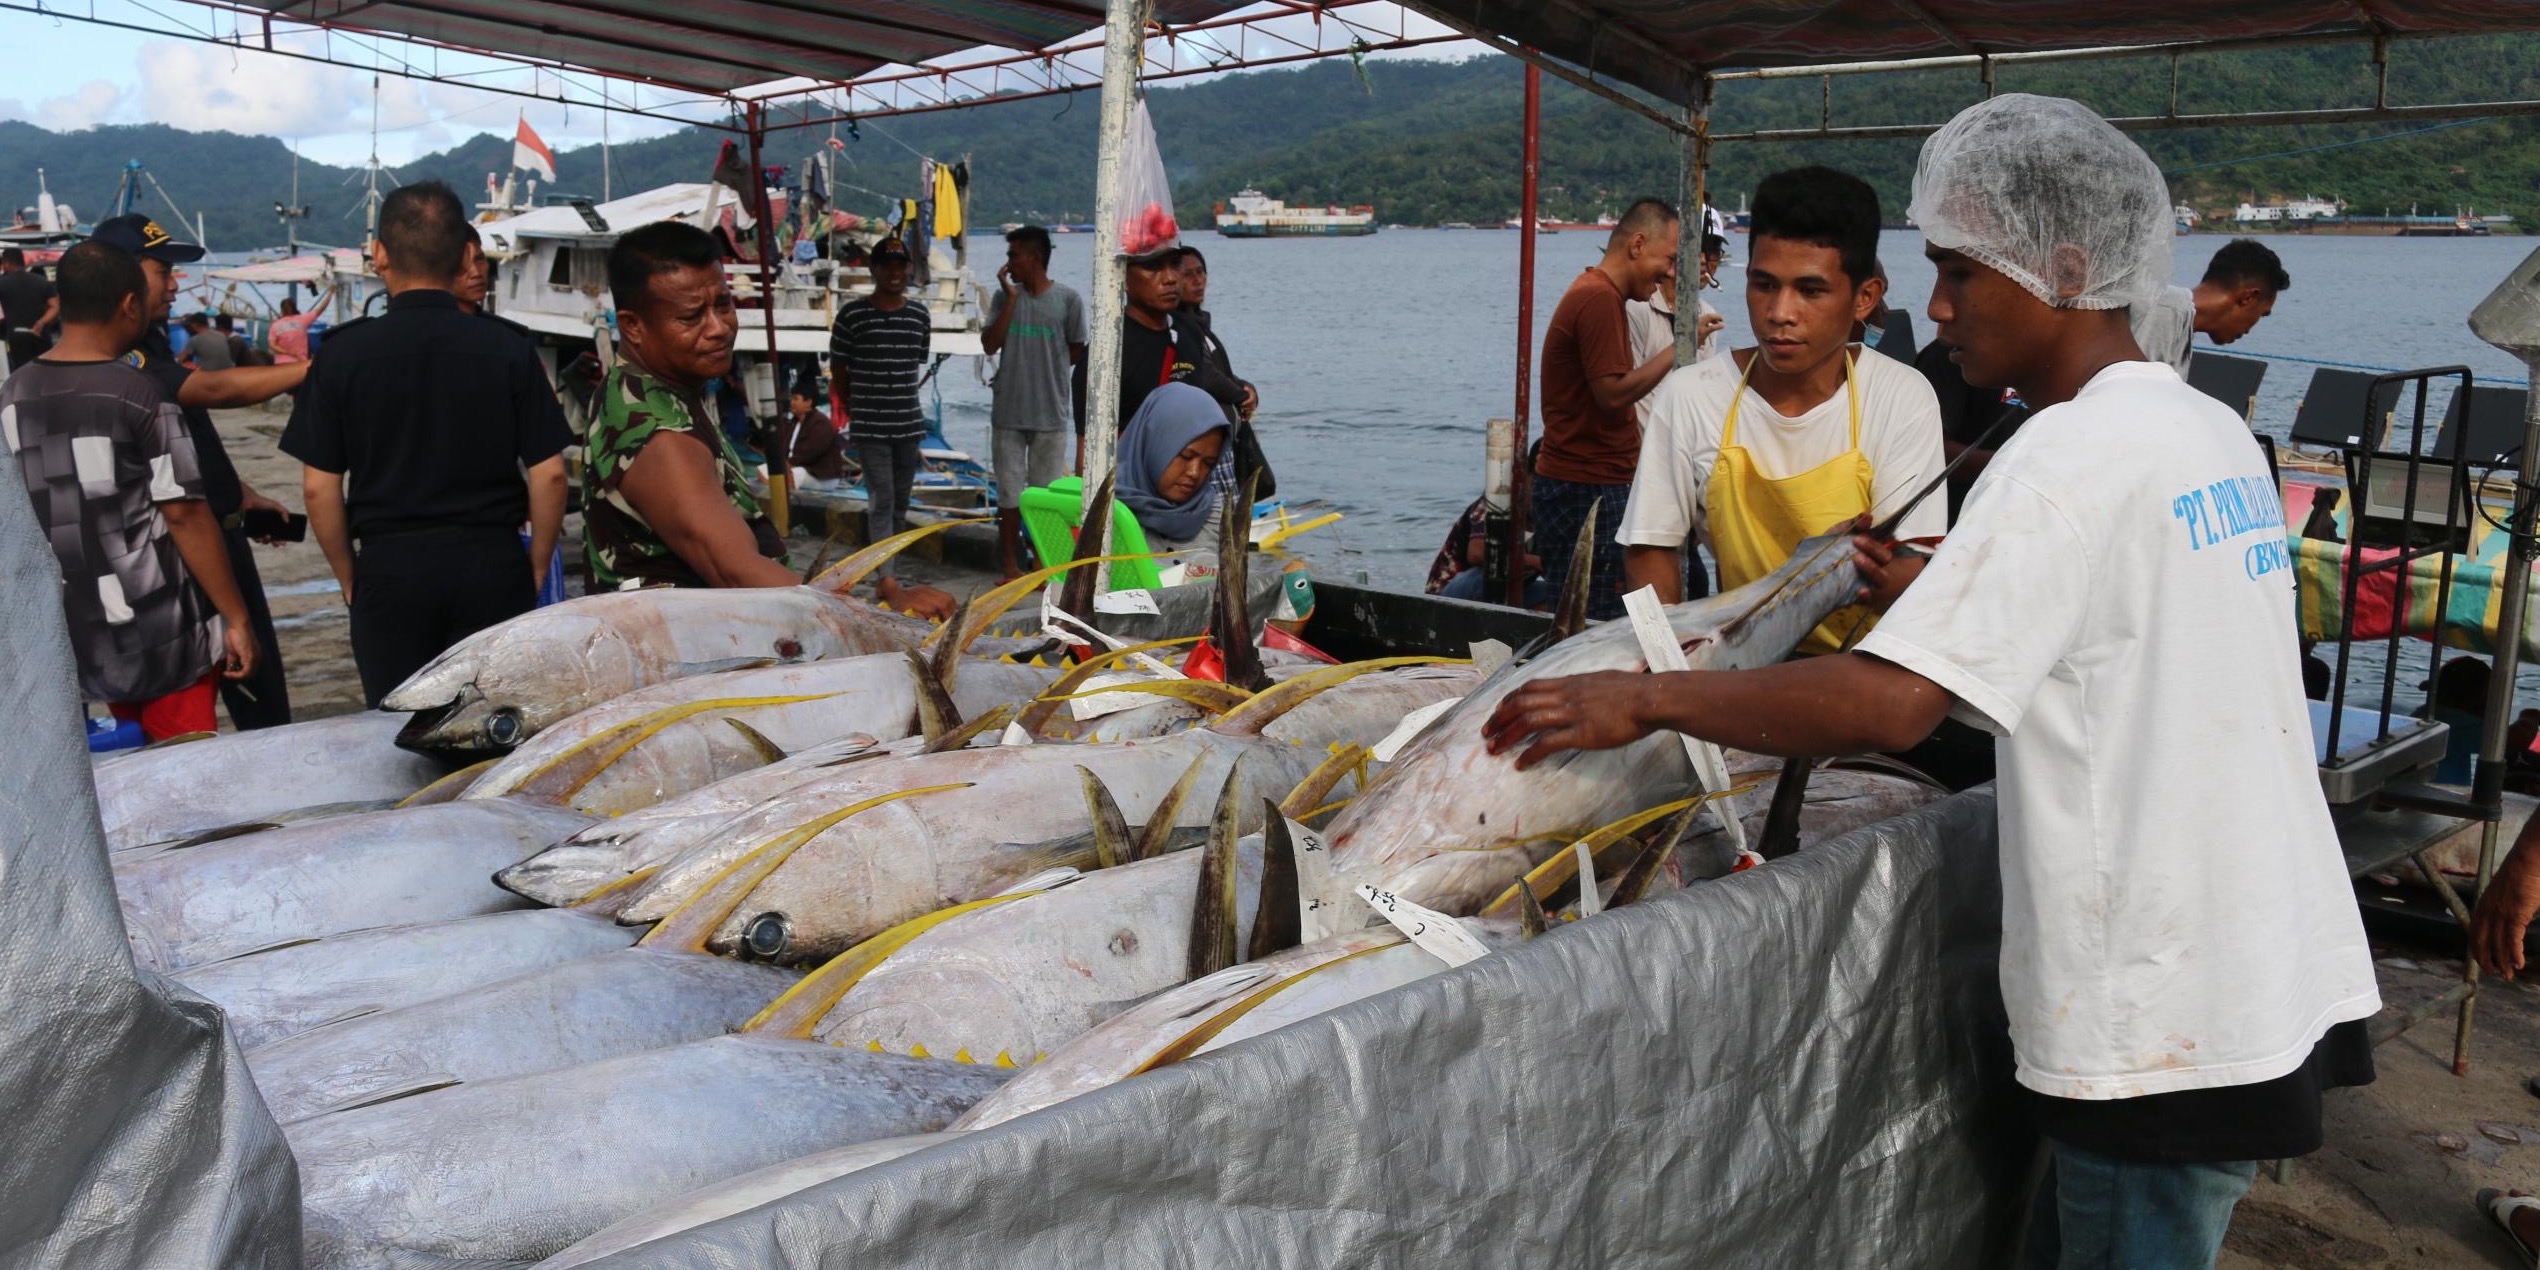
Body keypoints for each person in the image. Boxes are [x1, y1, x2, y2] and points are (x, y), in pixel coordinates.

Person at [1487, 95, 2376, 1269]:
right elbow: (2119, 623)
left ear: (2062, 268)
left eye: (1960, 272)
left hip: (2158, 1004)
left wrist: (1641, 698)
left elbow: (1888, 704)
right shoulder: (2199, 428)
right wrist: (1932, 579)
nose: (1938, 307)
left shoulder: (2064, 452)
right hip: (2258, 955)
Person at [1617, 167, 1946, 658]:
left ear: (1864, 298)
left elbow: (1913, 568)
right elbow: (1650, 547)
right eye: (1764, 284)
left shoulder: (1902, 395)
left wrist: (1844, 567)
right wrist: (1671, 664)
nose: (1780, 313)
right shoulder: (1692, 395)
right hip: (1736, 662)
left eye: (1810, 291)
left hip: (1861, 674)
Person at [281, 181, 572, 707]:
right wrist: (533, 567)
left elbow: (319, 489)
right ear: (464, 254)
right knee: (494, 730)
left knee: (397, 732)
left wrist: (352, 580)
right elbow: (550, 473)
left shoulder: (343, 357)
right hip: (492, 563)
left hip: (391, 571)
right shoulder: (507, 348)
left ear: (379, 255)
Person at [593, 222, 952, 616]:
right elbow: (737, 573)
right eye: (692, 317)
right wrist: (883, 613)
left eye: (724, 305)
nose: (719, 328)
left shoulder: (648, 384)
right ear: (632, 326)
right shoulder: (660, 436)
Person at [2, 240, 256, 739]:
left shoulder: (13, 394)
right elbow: (184, 513)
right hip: (161, 633)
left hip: (74, 636)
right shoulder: (139, 393)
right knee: (179, 780)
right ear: (129, 304)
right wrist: (236, 616)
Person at [96, 213, 309, 730]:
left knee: (261, 699)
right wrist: (309, 371)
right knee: (190, 716)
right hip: (181, 553)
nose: (175, 284)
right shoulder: (121, 355)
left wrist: (238, 492)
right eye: (162, 270)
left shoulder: (153, 340)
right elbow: (207, 391)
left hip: (222, 530)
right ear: (122, 278)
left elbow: (187, 436)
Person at [1535, 197, 1679, 621]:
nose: (1670, 272)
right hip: (1587, 486)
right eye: (1668, 258)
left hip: (1590, 481)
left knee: (1590, 610)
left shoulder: (1601, 296)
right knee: (1594, 618)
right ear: (1637, 245)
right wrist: (1678, 348)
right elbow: (1612, 394)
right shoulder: (1598, 299)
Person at [981, 225, 1086, 576]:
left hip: (1050, 414)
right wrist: (1010, 299)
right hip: (1008, 412)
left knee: (1045, 497)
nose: (1008, 263)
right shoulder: (1004, 298)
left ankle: (1043, 565)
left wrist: (1045, 368)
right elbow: (990, 344)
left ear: (1035, 257)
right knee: (1009, 495)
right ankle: (1010, 565)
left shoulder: (1068, 301)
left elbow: (1074, 350)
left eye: (1014, 255)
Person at [828, 235, 933, 579]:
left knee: (901, 501)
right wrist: (854, 407)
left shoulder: (919, 315)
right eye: (887, 265)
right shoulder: (852, 316)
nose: (894, 272)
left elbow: (916, 361)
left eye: (900, 266)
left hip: (908, 424)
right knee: (882, 499)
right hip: (870, 426)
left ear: (908, 270)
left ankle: (891, 566)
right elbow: (839, 369)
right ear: (874, 269)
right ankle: (884, 576)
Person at [2130, 238, 2290, 373]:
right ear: (2248, 297)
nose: (2250, 329)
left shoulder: (2180, 327)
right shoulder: (2160, 314)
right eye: (2262, 314)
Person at [1914, 337, 2029, 519]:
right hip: (1961, 518)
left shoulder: (2064, 361)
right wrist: (2017, 464)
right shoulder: (1948, 354)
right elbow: (1926, 453)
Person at [1115, 382, 1231, 557]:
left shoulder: (1210, 512)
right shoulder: (1105, 509)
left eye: (1208, 463)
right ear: (1154, 445)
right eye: (1186, 456)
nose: (1194, 472)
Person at [1428, 442, 1550, 608]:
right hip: (1450, 592)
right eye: (1540, 480)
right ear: (1527, 476)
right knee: (1487, 576)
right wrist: (1536, 562)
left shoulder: (1550, 514)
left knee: (1558, 596)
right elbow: (1476, 552)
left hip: (1512, 589)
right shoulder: (1499, 499)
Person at [0, 246, 58, 369]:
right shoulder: (42, 281)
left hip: (16, 337)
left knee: (22, 372)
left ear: (6, 263)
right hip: (41, 334)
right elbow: (56, 306)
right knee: (44, 370)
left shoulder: (2, 283)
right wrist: (41, 322)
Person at [782, 381, 848, 483]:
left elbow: (811, 452)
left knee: (788, 475)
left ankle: (788, 498)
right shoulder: (793, 423)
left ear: (808, 402)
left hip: (821, 475)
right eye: (791, 399)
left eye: (796, 399)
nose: (792, 402)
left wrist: (788, 464)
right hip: (795, 468)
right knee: (763, 471)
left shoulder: (820, 423)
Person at [268, 290, 331, 365]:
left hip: (281, 364)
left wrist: (287, 352)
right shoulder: (303, 319)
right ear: (294, 308)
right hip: (299, 362)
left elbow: (272, 345)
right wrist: (330, 293)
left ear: (282, 310)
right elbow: (321, 308)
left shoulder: (275, 325)